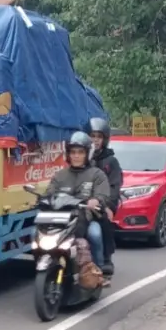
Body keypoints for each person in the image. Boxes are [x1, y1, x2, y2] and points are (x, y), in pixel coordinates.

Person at [48, 131, 111, 272]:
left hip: (86, 218)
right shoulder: (60, 175)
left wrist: (96, 200)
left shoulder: (97, 174)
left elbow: (103, 195)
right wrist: (44, 199)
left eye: (80, 152)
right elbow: (50, 193)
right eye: (73, 152)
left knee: (95, 234)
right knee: (36, 232)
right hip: (61, 219)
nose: (76, 156)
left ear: (87, 154)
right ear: (68, 154)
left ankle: (98, 270)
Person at [89, 117, 122, 276]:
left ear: (105, 139)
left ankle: (106, 258)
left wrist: (109, 205)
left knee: (105, 220)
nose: (95, 140)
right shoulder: (81, 158)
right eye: (92, 136)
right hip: (83, 202)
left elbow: (114, 186)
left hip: (102, 202)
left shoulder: (110, 161)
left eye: (98, 136)